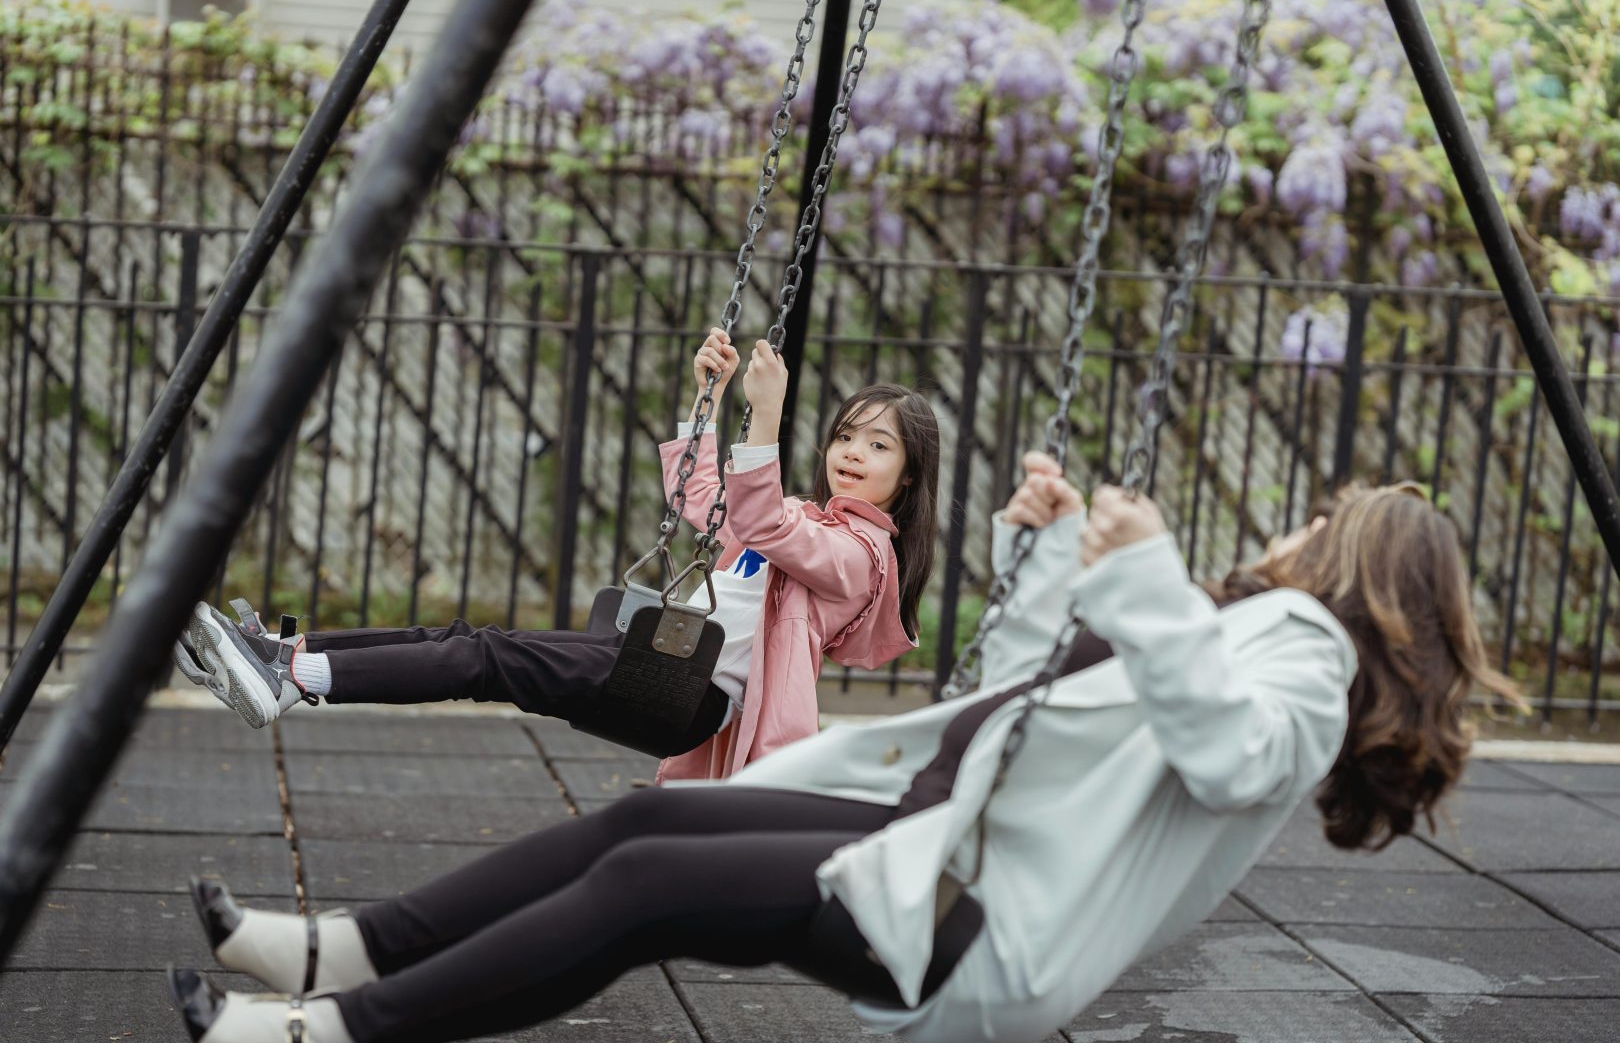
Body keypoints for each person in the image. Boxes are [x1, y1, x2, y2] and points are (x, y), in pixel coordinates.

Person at [168, 454, 1521, 1043]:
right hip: (929, 840)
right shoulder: (1236, 636)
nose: (1288, 536)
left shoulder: (1305, 654)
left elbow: (1237, 760)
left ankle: (334, 1027)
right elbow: (1021, 701)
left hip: (977, 915)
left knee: (649, 892)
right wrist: (1049, 555)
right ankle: (339, 949)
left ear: (1347, 565)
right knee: (638, 832)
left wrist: (1158, 580)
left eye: (1317, 526)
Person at [174, 328, 940, 781]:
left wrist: (765, 415)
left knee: (486, 659)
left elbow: (766, 525)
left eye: (879, 445)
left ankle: (294, 677)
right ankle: (286, 655)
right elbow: (709, 504)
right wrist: (707, 398)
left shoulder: (864, 562)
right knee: (465, 641)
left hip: (688, 695)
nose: (853, 452)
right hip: (658, 664)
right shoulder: (802, 513)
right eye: (846, 435)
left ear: (907, 479)